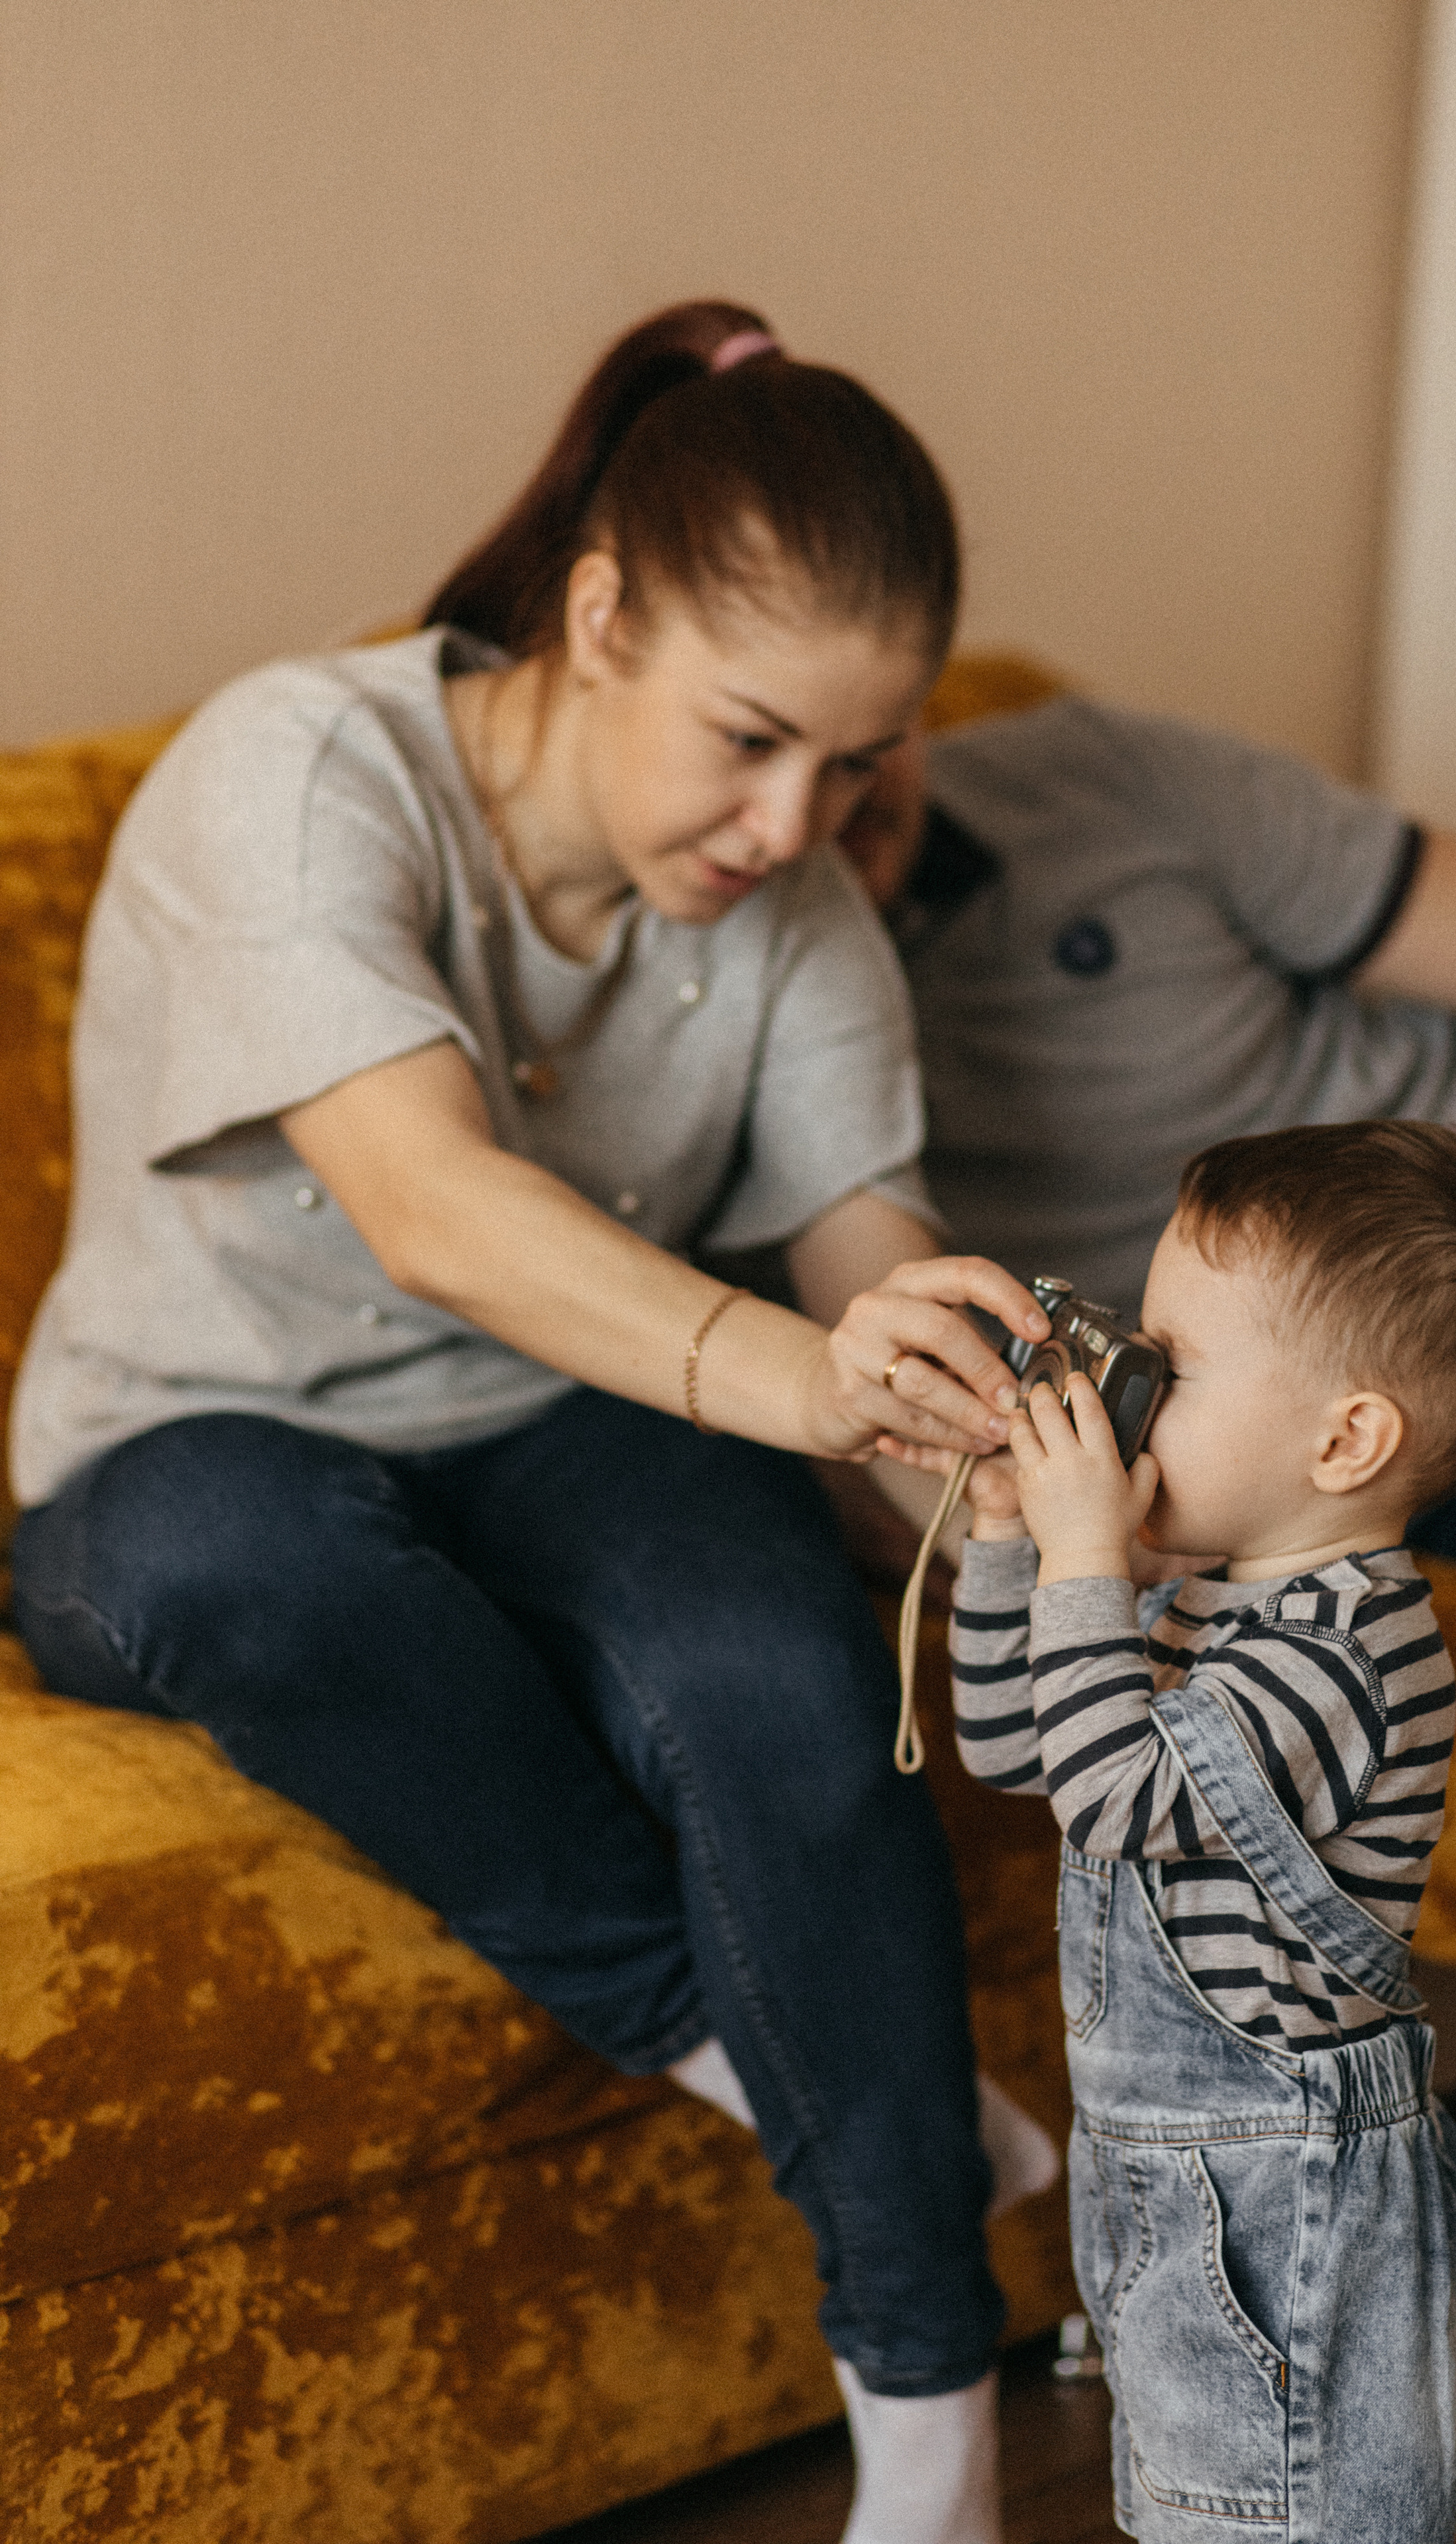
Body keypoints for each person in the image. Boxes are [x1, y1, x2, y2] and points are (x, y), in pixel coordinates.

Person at [7, 301, 1057, 2544]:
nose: (794, 829)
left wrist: (999, 1478)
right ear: (598, 615)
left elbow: (867, 1258)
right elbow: (436, 1211)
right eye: (751, 741)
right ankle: (810, 2072)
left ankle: (939, 2460)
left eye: (856, 770)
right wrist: (796, 1384)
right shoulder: (302, 773)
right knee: (228, 1561)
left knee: (783, 1687)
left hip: (563, 1435)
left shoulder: (799, 907)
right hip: (192, 1449)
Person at [949, 1120, 1456, 2541]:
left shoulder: (1347, 1645)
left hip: (1289, 2201)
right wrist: (1004, 1544)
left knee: (1274, 2512)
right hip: (1175, 2175)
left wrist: (1089, 1555)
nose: (1134, 1397)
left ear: (1345, 1439)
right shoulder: (1203, 1598)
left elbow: (1115, 1792)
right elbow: (1017, 1750)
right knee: (1191, 2506)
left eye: (1171, 1363)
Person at [837, 695, 1456, 1624]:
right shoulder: (751, 1057)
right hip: (1374, 1433)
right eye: (757, 744)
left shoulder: (1092, 774)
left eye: (865, 744)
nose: (822, 800)